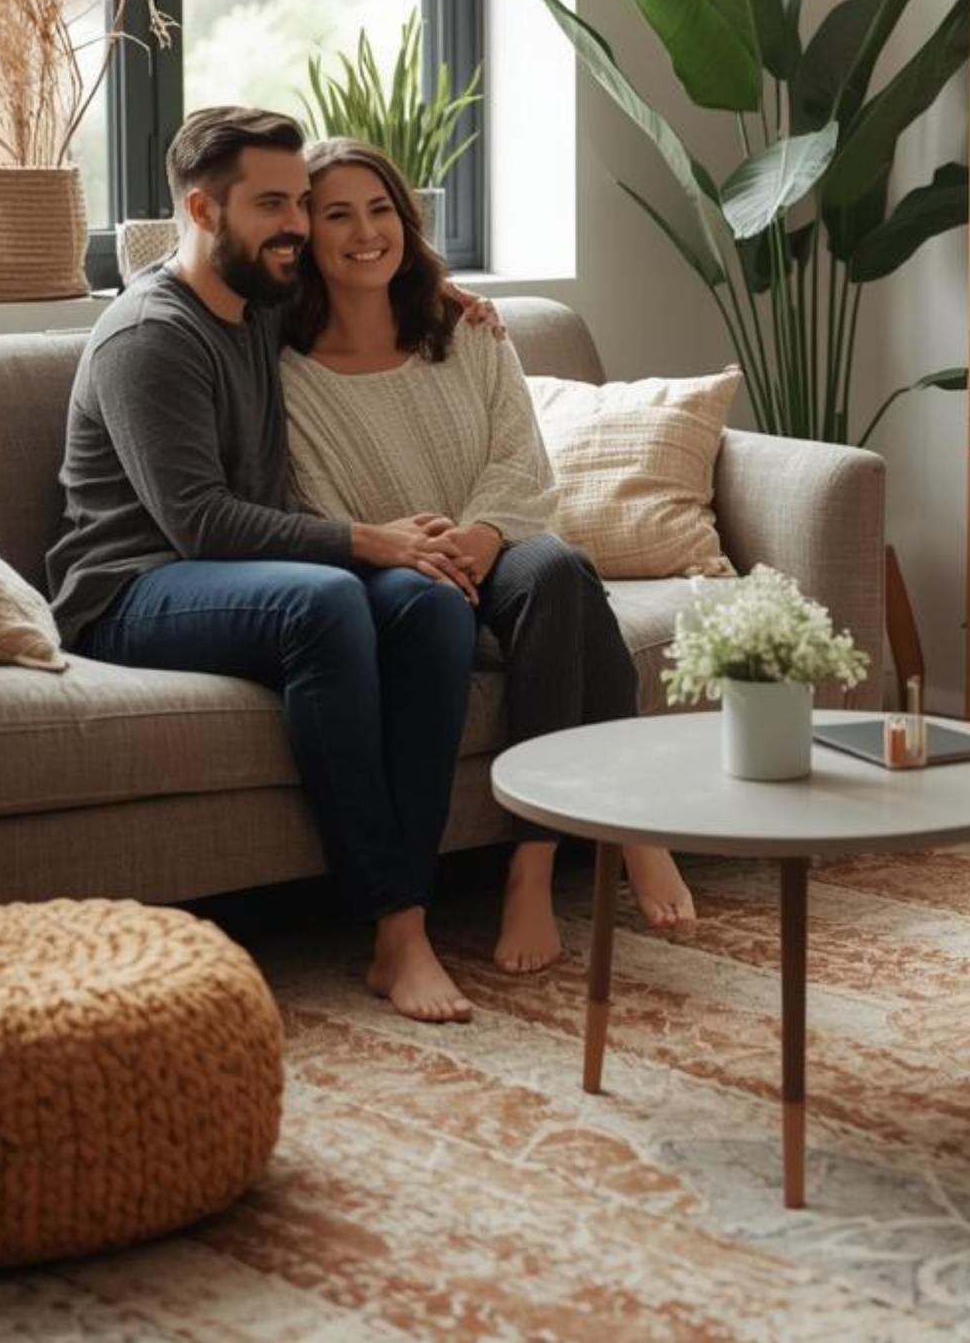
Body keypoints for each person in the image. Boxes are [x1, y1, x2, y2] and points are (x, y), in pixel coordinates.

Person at [46, 106, 506, 1026]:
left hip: (239, 577)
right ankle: (399, 927)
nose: (297, 224)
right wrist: (370, 537)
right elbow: (201, 524)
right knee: (330, 600)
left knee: (432, 606)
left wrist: (443, 289)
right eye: (272, 204)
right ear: (204, 211)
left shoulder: (260, 299)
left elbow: (368, 276)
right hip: (133, 589)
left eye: (301, 200)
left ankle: (400, 925)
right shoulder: (151, 337)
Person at [277, 137, 695, 989]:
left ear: (406, 217)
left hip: (489, 544)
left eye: (381, 209)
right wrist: (408, 545)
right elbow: (310, 497)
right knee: (516, 584)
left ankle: (531, 867)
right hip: (386, 569)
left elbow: (521, 457)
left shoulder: (467, 330)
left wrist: (482, 535)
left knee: (560, 570)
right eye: (338, 215)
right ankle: (631, 826)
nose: (366, 232)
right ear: (305, 237)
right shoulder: (281, 369)